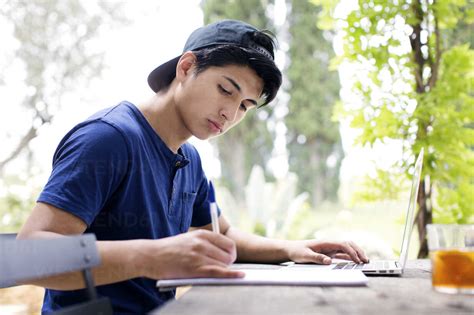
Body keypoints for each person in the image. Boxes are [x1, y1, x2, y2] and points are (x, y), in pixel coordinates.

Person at [17, 20, 369, 314]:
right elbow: (32, 256)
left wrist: (294, 248)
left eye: (245, 105)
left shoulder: (190, 159)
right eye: (225, 90)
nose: (230, 114)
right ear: (186, 67)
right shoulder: (107, 139)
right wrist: (151, 257)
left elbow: (223, 235)